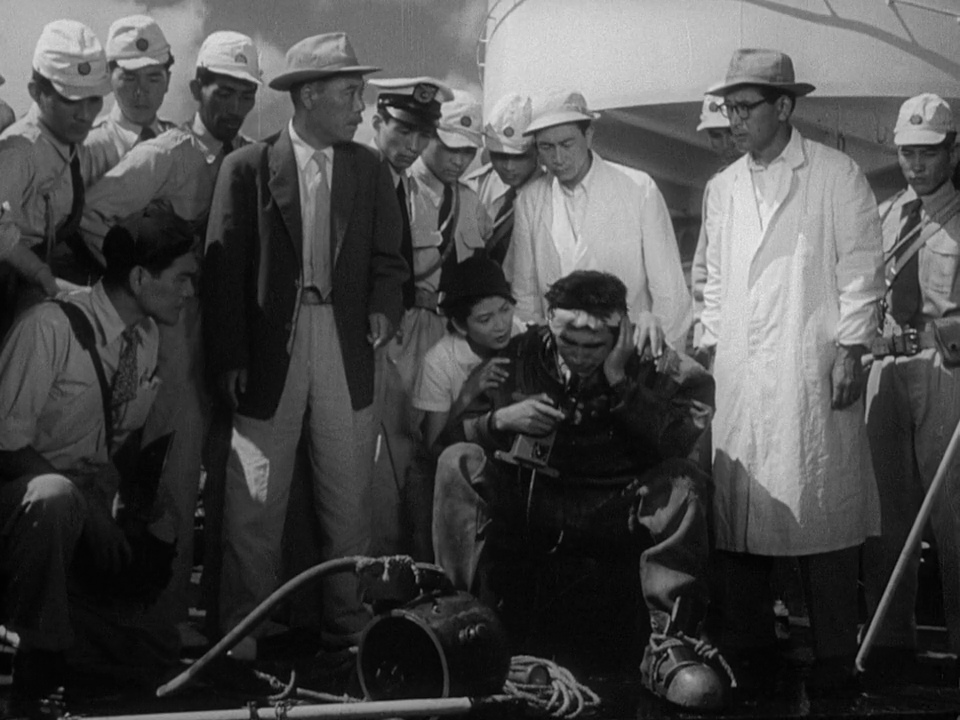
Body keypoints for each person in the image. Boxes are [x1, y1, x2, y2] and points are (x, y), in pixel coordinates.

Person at [432, 269, 729, 710]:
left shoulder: (655, 361)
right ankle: (464, 629)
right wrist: (499, 421)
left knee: (684, 485)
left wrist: (621, 382)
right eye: (568, 342)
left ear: (621, 332)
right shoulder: (518, 358)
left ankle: (669, 642)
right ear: (551, 323)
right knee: (458, 461)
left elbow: (681, 441)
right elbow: (444, 443)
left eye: (594, 346)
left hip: (618, 509)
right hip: (537, 509)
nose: (579, 356)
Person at [203, 32, 407, 667]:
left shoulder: (369, 169)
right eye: (350, 93)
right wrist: (231, 356)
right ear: (309, 96)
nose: (361, 107)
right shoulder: (246, 169)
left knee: (349, 498)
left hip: (347, 347)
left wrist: (384, 305)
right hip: (270, 351)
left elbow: (390, 261)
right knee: (254, 499)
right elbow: (223, 273)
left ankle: (349, 629)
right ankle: (241, 636)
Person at [699, 48, 884, 693]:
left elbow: (861, 269)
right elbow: (713, 280)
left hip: (811, 366)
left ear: (784, 107)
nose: (734, 119)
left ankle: (834, 654)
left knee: (822, 501)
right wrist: (713, 349)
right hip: (741, 373)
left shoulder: (836, 175)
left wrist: (851, 347)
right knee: (741, 507)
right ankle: (751, 651)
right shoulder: (722, 188)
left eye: (745, 107)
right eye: (729, 108)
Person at [74, 30, 261, 656]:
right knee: (171, 469)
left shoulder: (252, 161)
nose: (232, 106)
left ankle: (225, 619)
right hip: (176, 327)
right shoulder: (169, 153)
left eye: (244, 95)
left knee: (233, 474)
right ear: (197, 87)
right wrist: (137, 287)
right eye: (221, 91)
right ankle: (159, 616)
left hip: (233, 328)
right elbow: (95, 213)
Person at [0, 207, 198, 718]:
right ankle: (37, 664)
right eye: (181, 279)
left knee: (156, 650)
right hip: (23, 508)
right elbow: (4, 445)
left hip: (74, 520)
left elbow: (112, 444)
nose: (188, 292)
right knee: (55, 497)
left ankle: (68, 637)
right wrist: (88, 509)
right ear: (140, 278)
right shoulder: (49, 328)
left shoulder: (144, 339)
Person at [862, 93, 960, 681]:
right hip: (887, 368)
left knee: (954, 516)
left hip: (946, 371)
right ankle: (890, 642)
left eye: (928, 152)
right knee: (884, 514)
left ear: (953, 151)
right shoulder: (884, 214)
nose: (917, 165)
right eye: (907, 152)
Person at [505, 90, 691, 351]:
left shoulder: (638, 189)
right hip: (560, 354)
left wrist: (660, 359)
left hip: (626, 352)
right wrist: (534, 357)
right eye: (546, 147)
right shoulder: (530, 200)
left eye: (567, 144)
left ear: (589, 135)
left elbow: (669, 292)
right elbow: (525, 296)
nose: (558, 158)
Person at [0, 19, 112, 332]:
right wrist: (39, 274)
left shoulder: (67, 142)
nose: (85, 114)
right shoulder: (21, 151)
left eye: (94, 99)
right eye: (70, 99)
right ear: (36, 92)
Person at [85, 15, 177, 179]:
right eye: (129, 78)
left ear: (168, 81)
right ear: (108, 78)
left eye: (153, 79)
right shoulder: (88, 147)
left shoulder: (179, 144)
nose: (141, 91)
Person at [465, 92, 543, 265]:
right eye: (500, 156)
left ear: (537, 151)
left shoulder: (552, 194)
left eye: (519, 157)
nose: (509, 167)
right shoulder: (476, 187)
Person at [690, 94, 737, 351]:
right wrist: (701, 326)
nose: (726, 144)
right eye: (716, 136)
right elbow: (703, 265)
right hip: (725, 321)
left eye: (730, 133)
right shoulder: (716, 186)